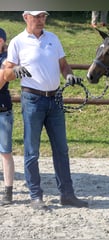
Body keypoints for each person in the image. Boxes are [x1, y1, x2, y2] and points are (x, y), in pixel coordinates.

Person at [5, 11, 88, 210]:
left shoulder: (53, 38)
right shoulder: (17, 42)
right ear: (26, 17)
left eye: (43, 16)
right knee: (32, 151)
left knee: (62, 149)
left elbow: (64, 65)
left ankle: (67, 194)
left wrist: (69, 76)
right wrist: (14, 71)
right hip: (32, 100)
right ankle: (35, 196)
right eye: (36, 16)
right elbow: (6, 73)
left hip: (55, 100)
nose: (40, 20)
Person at [0, 28, 31, 206]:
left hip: (2, 111)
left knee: (5, 152)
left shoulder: (7, 61)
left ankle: (8, 192)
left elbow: (1, 81)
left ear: (3, 41)